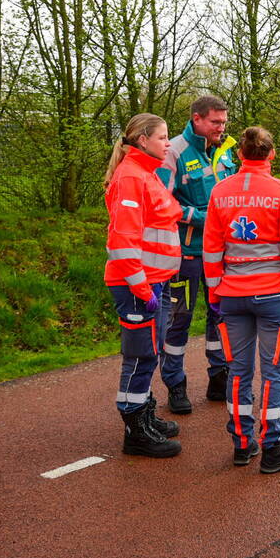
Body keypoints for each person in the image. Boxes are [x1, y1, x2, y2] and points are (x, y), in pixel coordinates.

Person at [203, 126, 280, 473]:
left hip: (232, 295)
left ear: (239, 155)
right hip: (274, 295)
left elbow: (211, 248)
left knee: (238, 371)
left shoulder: (220, 191)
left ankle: (241, 443)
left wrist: (214, 291)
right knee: (274, 373)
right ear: (272, 154)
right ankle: (273, 447)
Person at [103, 113, 183, 458]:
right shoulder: (132, 178)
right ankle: (135, 429)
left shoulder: (146, 175)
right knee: (140, 357)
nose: (168, 144)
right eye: (163, 137)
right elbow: (122, 241)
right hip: (140, 286)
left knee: (149, 354)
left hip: (156, 283)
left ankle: (144, 415)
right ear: (142, 141)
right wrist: (141, 288)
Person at [156, 95, 239, 414]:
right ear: (196, 119)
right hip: (187, 253)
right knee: (180, 320)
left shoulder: (224, 149)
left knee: (221, 316)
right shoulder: (173, 151)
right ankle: (175, 384)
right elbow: (162, 202)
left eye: (223, 121)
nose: (221, 127)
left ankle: (219, 377)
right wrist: (204, 217)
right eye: (215, 122)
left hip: (221, 252)